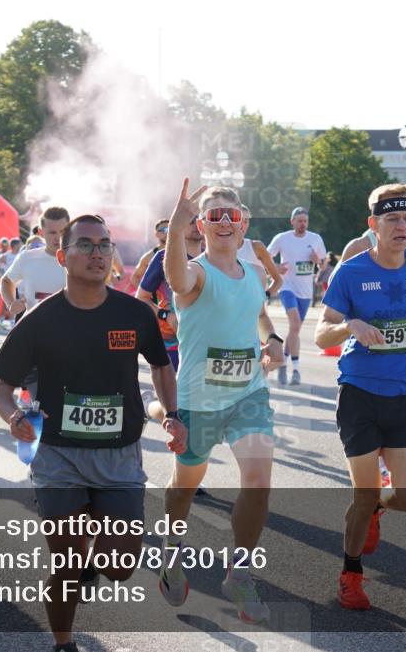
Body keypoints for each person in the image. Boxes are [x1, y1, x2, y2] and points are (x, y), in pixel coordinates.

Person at [0, 214, 187, 652]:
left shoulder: (134, 314)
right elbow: (0, 387)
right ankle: (63, 643)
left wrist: (172, 413)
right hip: (58, 455)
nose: (97, 253)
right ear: (63, 256)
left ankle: (93, 555)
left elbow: (160, 364)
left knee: (118, 567)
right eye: (85, 245)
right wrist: (11, 417)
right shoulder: (41, 320)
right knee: (66, 563)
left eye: (104, 245)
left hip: (117, 456)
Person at [158, 181, 284, 624]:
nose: (225, 222)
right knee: (184, 487)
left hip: (248, 394)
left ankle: (241, 571)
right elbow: (175, 279)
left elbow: (258, 314)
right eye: (215, 215)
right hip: (199, 400)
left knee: (258, 480)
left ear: (244, 224)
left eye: (232, 215)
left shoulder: (251, 274)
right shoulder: (195, 272)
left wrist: (273, 342)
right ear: (202, 225)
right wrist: (174, 232)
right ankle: (173, 548)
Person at [315, 190, 406, 610]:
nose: (402, 227)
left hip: (403, 397)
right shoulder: (351, 273)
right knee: (363, 491)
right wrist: (350, 325)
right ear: (373, 225)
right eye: (392, 221)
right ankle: (350, 574)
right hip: (359, 395)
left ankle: (376, 507)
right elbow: (321, 333)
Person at [1, 207, 70, 399]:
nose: (58, 237)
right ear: (41, 233)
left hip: (70, 337)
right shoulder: (28, 258)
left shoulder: (78, 259)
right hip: (34, 337)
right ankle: (30, 416)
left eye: (63, 232)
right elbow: (6, 281)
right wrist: (11, 302)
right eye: (52, 232)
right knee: (36, 398)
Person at [134, 217, 205, 379]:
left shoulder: (212, 260)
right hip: (172, 343)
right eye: (191, 220)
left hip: (206, 344)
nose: (196, 224)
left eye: (199, 220)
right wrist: (166, 315)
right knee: (172, 400)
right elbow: (141, 298)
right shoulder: (163, 257)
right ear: (178, 226)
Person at [267, 206, 327, 385]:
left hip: (305, 292)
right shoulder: (282, 238)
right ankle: (296, 370)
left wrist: (318, 262)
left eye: (305, 221)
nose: (302, 224)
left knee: (294, 331)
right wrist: (276, 268)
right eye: (299, 221)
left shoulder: (315, 239)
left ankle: (283, 364)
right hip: (287, 287)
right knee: (294, 324)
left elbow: (323, 265)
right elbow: (265, 257)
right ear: (292, 222)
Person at [237, 205, 283, 299]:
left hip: (255, 310)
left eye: (246, 221)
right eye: (239, 220)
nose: (243, 225)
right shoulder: (219, 250)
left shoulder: (256, 247)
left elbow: (278, 280)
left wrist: (265, 296)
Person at [130, 219, 169, 290]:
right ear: (156, 234)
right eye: (164, 229)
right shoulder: (149, 256)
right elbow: (135, 278)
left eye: (170, 229)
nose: (167, 232)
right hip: (158, 300)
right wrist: (146, 293)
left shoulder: (182, 251)